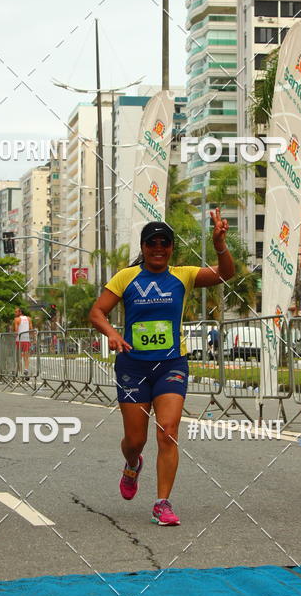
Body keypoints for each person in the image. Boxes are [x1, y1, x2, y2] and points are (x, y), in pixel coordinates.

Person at [89, 212, 234, 526]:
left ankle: (162, 503)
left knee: (168, 432)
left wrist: (219, 244)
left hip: (171, 363)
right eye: (152, 243)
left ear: (171, 248)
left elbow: (225, 275)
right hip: (132, 366)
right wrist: (112, 334)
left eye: (164, 243)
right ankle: (132, 464)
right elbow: (98, 311)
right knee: (135, 440)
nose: (158, 248)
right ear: (143, 246)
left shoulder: (183, 275)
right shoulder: (125, 278)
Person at [14, 307, 33, 373]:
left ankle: (20, 371)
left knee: (18, 356)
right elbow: (31, 329)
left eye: (16, 312)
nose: (15, 313)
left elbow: (16, 331)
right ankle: (26, 369)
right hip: (26, 340)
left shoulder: (16, 319)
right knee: (26, 356)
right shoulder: (29, 319)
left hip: (19, 340)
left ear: (20, 312)